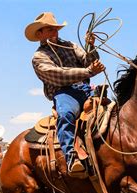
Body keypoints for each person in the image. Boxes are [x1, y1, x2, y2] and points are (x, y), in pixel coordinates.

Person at [25, 12, 105, 176]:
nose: (55, 32)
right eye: (50, 29)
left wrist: (91, 47)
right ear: (40, 33)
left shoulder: (70, 45)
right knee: (66, 115)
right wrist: (88, 71)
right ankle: (71, 158)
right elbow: (58, 75)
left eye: (56, 29)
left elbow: (89, 62)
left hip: (85, 88)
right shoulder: (39, 57)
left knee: (114, 111)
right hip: (64, 92)